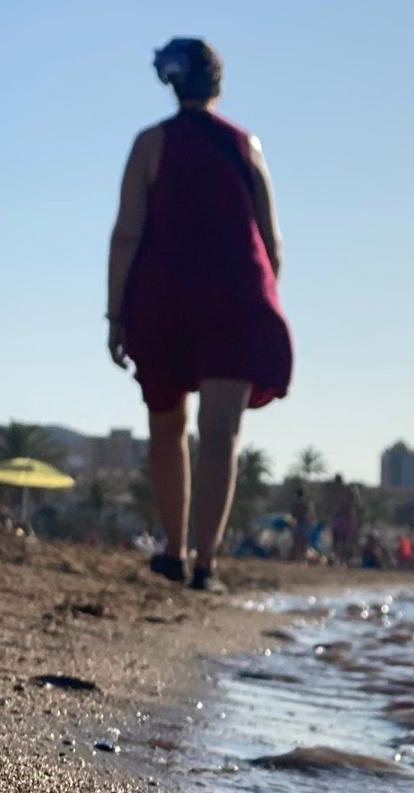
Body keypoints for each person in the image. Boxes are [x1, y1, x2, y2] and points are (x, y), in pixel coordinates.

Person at [107, 38, 293, 593]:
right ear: (217, 83)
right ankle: (206, 565)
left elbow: (127, 233)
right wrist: (260, 298)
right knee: (220, 435)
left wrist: (116, 313)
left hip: (165, 297)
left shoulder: (151, 144)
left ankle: (173, 550)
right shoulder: (245, 145)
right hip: (237, 297)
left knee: (168, 425)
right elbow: (273, 242)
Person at [329, 475, 360, 565]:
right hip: (340, 517)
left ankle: (344, 559)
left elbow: (356, 502)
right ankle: (340, 559)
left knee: (345, 540)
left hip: (346, 518)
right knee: (339, 540)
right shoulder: (337, 491)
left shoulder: (348, 490)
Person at [291, 482, 315, 560]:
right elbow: (309, 512)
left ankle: (298, 557)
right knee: (304, 541)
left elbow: (293, 514)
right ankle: (303, 557)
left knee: (298, 541)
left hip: (299, 522)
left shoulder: (295, 503)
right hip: (305, 522)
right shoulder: (305, 502)